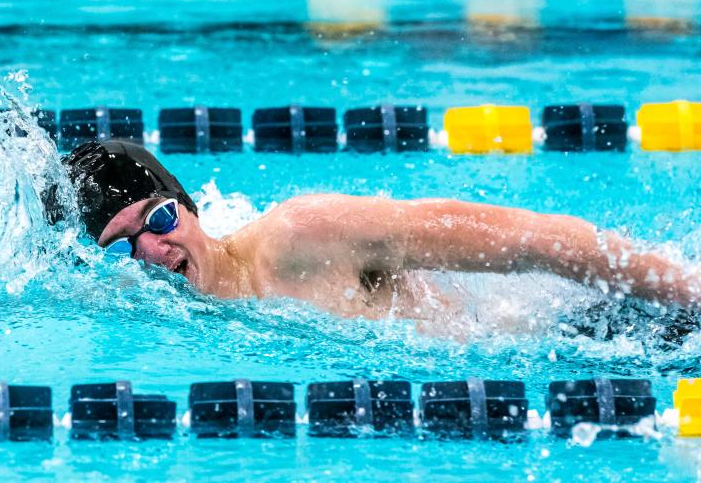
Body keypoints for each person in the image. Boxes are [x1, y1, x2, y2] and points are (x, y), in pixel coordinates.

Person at [42, 139, 698, 337]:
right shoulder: (162, 328)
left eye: (157, 221)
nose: (153, 252)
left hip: (590, 329)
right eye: (124, 245)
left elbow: (528, 240)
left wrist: (686, 289)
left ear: (187, 207)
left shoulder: (307, 235)